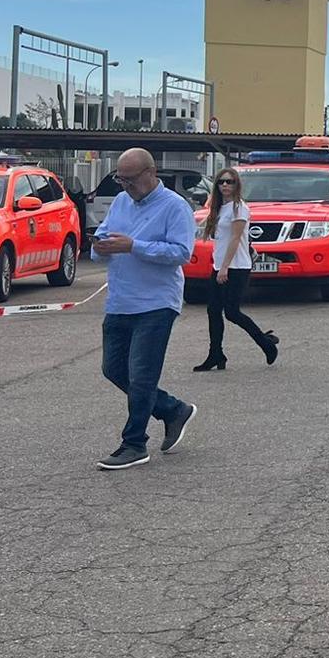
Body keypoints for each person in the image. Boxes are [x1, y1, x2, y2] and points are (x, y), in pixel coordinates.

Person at [92, 147, 197, 470]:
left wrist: (133, 246)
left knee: (141, 376)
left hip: (156, 303)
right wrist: (101, 245)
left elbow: (181, 252)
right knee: (113, 369)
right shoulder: (122, 202)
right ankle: (172, 408)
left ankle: (134, 443)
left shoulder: (175, 207)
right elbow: (105, 236)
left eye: (131, 179)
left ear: (151, 173)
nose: (125, 186)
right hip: (121, 300)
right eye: (120, 179)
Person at [191, 168, 278, 371]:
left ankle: (266, 344)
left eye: (229, 182)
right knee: (213, 310)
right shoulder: (219, 208)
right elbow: (206, 231)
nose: (225, 186)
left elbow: (236, 238)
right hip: (219, 265)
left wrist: (225, 268)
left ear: (236, 184)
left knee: (231, 312)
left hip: (236, 267)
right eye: (221, 182)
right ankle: (216, 354)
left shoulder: (240, 208)